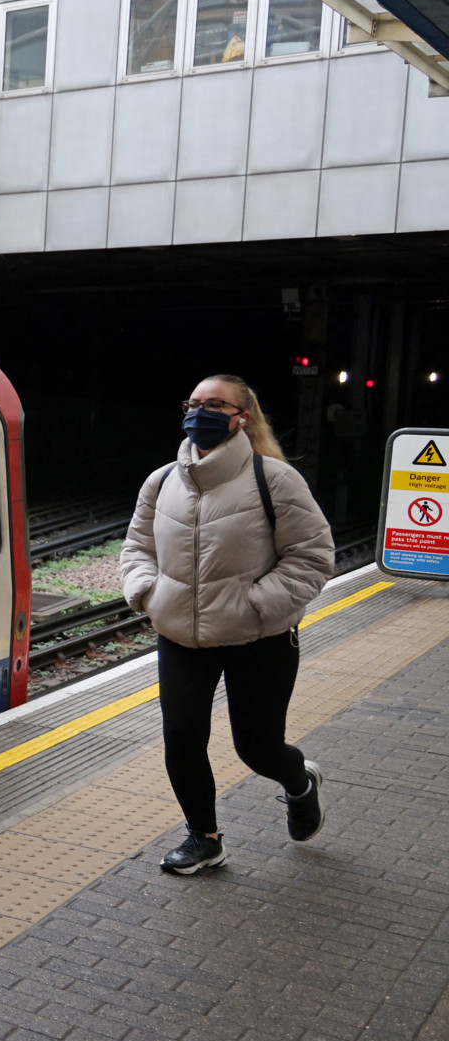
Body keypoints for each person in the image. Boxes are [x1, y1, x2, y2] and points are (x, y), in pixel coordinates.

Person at [121, 374, 335, 876]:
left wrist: (256, 605)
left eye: (216, 404)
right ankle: (205, 839)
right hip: (180, 638)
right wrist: (149, 593)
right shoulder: (161, 481)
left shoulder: (275, 479)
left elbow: (313, 555)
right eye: (193, 403)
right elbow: (136, 546)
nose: (201, 412)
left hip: (259, 639)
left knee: (257, 747)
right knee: (183, 738)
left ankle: (299, 781)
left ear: (243, 417)